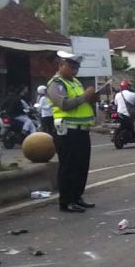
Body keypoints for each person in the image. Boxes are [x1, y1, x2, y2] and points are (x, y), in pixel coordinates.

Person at [47, 51, 97, 213]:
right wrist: (85, 96)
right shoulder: (56, 84)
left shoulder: (75, 82)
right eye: (71, 66)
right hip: (66, 132)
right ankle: (66, 201)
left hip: (82, 130)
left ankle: (77, 197)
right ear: (61, 65)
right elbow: (64, 104)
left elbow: (81, 104)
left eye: (77, 67)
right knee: (68, 167)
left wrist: (92, 97)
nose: (75, 70)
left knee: (81, 166)